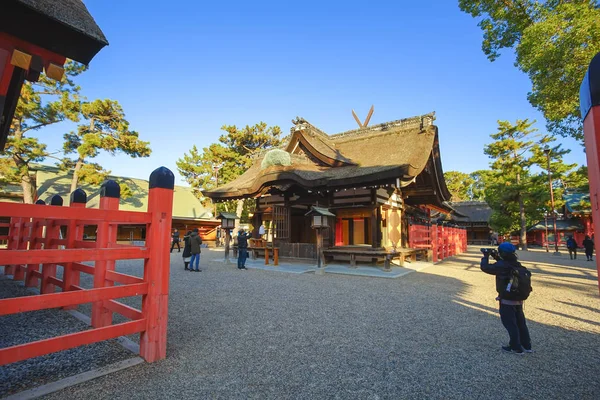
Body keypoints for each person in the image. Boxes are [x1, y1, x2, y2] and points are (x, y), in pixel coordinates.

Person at [480, 242, 533, 355]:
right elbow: (502, 262)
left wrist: (485, 256)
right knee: (520, 323)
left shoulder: (502, 266)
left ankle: (515, 347)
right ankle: (526, 345)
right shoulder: (516, 264)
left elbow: (485, 267)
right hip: (518, 299)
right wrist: (495, 256)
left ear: (502, 253)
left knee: (510, 324)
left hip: (507, 300)